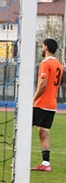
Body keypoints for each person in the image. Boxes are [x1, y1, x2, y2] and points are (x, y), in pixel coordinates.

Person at [32, 38, 64, 172]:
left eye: (42, 46)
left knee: (22, 129)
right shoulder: (59, 65)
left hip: (41, 103)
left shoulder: (45, 63)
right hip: (51, 105)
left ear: (45, 47)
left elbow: (43, 84)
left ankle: (19, 159)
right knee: (43, 132)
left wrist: (33, 98)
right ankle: (46, 163)